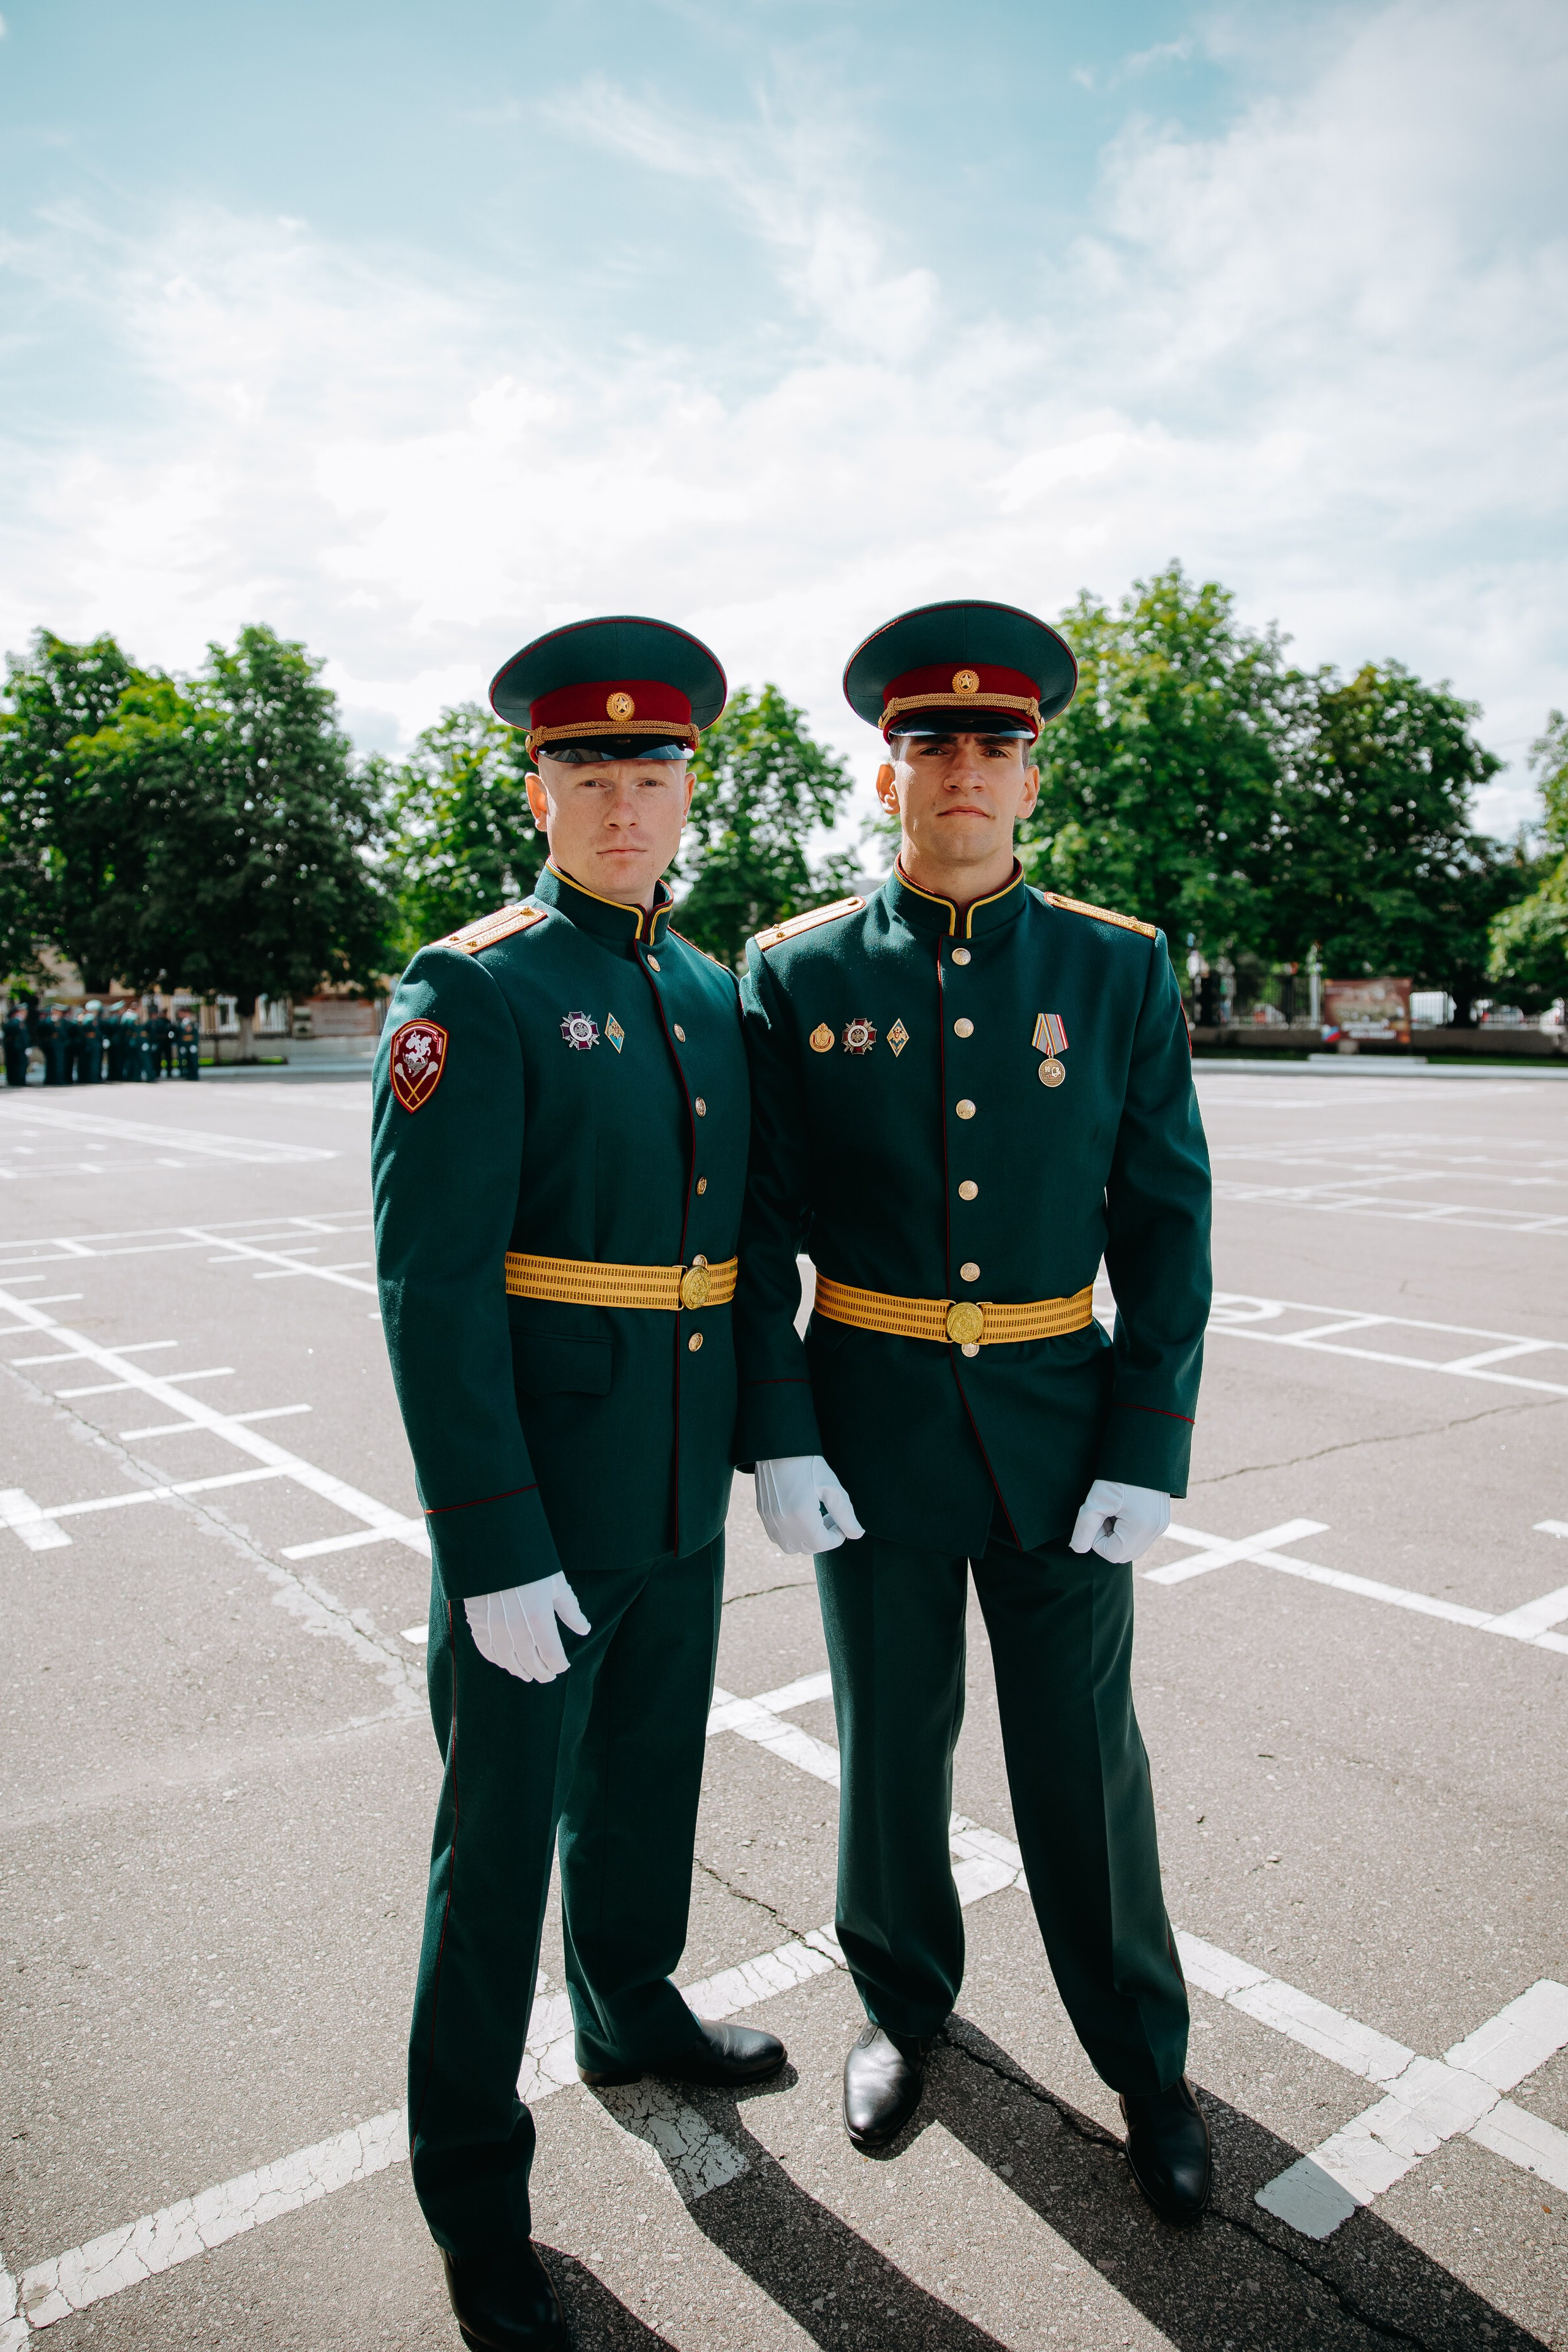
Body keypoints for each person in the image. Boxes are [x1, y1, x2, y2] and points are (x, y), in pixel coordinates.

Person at [735, 598, 1215, 2227]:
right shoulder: (796, 971)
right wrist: (781, 1429)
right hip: (868, 1419)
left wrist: (1149, 1445)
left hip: (1062, 1423)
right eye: (930, 741)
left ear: (1031, 777)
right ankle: (900, 2003)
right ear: (888, 777)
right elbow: (760, 1228)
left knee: (1086, 1762)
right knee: (889, 1742)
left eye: (995, 742)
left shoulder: (1117, 965)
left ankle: (1146, 2064)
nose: (963, 766)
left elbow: (1167, 1224)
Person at [372, 615, 772, 2352]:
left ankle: (631, 2008)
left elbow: (736, 1245)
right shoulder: (476, 984)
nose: (625, 798)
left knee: (648, 1788)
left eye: (654, 768)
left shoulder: (700, 985)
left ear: (695, 786)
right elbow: (432, 1287)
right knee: (492, 1854)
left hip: (677, 1484)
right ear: (536, 784)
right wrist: (487, 1542)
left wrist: (778, 1439)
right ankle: (474, 2189)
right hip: (537, 1511)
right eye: (588, 768)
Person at [3, 1001, 31, 1087]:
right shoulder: (16, 1022)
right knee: (18, 1065)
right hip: (17, 1047)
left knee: (21, 1064)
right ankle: (17, 1080)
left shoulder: (21, 1022)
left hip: (20, 1047)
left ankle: (19, 1080)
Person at [176, 1009, 202, 1079]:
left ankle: (195, 1075)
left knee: (193, 1061)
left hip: (192, 1045)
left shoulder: (193, 1023)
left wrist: (194, 1045)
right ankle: (189, 1075)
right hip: (186, 1045)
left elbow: (195, 1036)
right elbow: (180, 1036)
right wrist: (182, 1046)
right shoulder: (182, 1024)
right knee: (187, 1061)